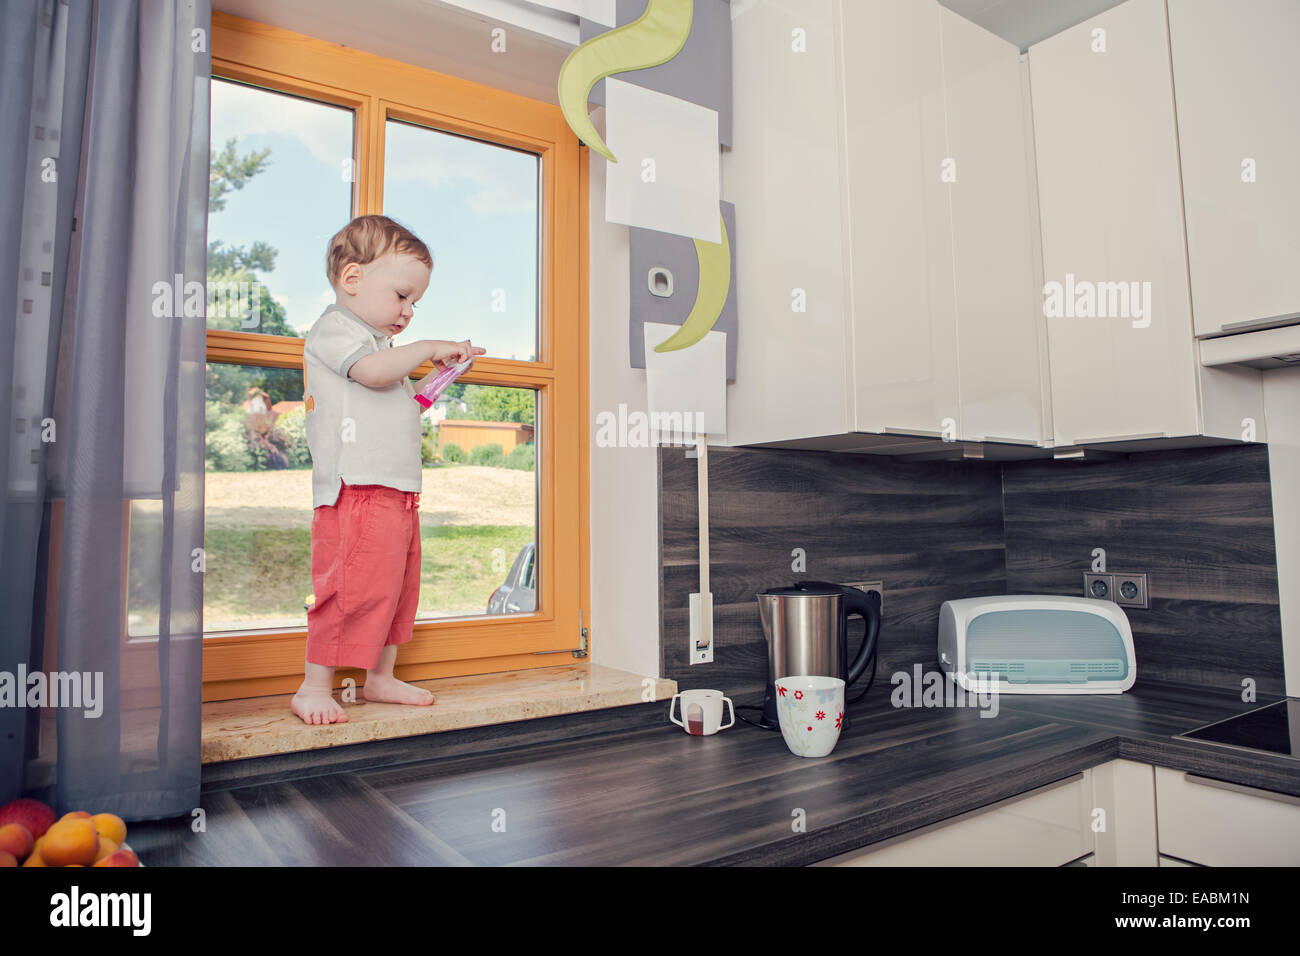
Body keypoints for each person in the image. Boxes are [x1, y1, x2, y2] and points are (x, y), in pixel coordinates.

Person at [291, 214, 485, 725]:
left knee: (395, 590)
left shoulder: (382, 350)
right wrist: (426, 349)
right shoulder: (336, 331)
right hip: (354, 489)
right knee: (347, 588)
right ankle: (314, 686)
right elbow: (373, 377)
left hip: (397, 491)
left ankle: (379, 678)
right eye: (402, 295)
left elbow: (407, 402)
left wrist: (442, 374)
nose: (409, 311)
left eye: (415, 302)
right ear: (352, 279)